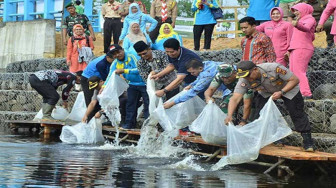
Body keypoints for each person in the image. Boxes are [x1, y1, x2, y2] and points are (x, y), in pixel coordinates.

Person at [224, 61, 314, 152]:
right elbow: (235, 98)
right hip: (265, 92)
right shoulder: (244, 80)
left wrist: (281, 92)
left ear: (255, 69)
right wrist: (229, 115)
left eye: (248, 75)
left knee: (296, 113)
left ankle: (308, 142)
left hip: (288, 89)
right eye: (244, 76)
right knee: (260, 114)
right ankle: (276, 138)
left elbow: (295, 80)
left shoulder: (274, 69)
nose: (247, 79)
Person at [103, 44, 149, 130]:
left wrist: (124, 70)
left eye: (118, 52)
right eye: (114, 54)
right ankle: (129, 124)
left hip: (145, 83)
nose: (117, 55)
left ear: (123, 50)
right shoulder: (115, 62)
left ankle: (148, 126)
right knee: (130, 105)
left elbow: (140, 69)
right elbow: (110, 75)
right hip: (132, 84)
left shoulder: (132, 56)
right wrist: (104, 87)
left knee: (147, 104)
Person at [289, 3, 315, 98]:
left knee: (299, 71)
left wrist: (297, 24)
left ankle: (306, 93)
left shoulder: (309, 18)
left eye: (297, 10)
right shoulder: (300, 19)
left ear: (303, 9)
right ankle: (297, 93)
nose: (295, 12)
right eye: (294, 11)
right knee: (292, 71)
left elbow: (306, 28)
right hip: (295, 47)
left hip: (302, 47)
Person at [81, 51, 115, 121]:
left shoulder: (109, 87)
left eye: (97, 87)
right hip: (88, 77)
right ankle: (91, 121)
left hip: (117, 106)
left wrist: (100, 112)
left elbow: (113, 103)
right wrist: (86, 115)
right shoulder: (101, 64)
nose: (114, 61)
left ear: (101, 81)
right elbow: (92, 102)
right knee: (92, 100)